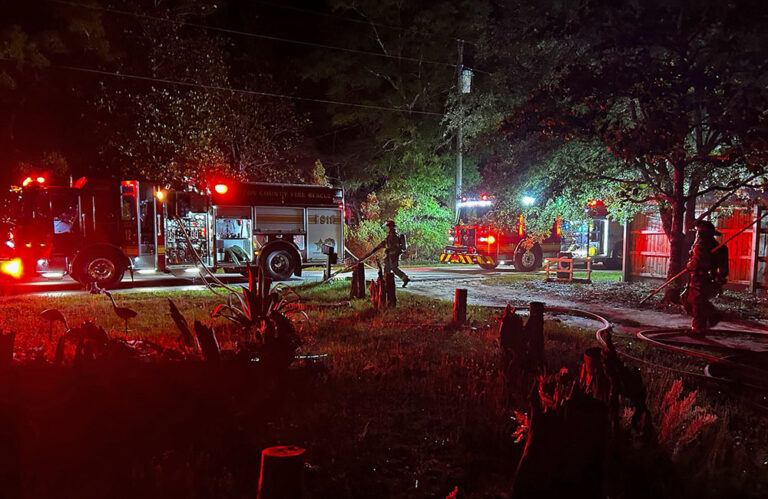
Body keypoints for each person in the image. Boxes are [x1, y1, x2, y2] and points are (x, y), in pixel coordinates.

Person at [682, 220, 728, 334]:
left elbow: (697, 263)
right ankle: (712, 315)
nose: (697, 234)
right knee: (689, 300)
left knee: (697, 301)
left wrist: (688, 265)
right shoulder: (715, 246)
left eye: (698, 232)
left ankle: (698, 329)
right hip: (705, 278)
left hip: (700, 278)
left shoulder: (702, 245)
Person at [374, 220, 410, 287]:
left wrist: (388, 249)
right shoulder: (390, 234)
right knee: (387, 268)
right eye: (387, 226)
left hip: (393, 255)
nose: (387, 227)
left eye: (388, 226)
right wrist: (378, 247)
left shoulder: (394, 235)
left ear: (392, 226)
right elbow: (385, 242)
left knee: (394, 268)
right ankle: (385, 283)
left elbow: (394, 245)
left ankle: (405, 279)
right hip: (390, 255)